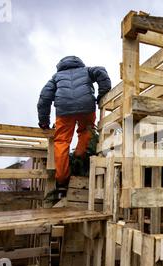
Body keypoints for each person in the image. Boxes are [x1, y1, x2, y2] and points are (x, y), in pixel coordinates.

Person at [37, 56, 111, 188]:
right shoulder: (86, 71)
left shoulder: (56, 78)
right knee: (86, 132)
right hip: (86, 106)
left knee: (61, 141)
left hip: (64, 110)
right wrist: (102, 93)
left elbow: (44, 98)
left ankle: (62, 180)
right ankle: (79, 159)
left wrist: (44, 122)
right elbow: (101, 71)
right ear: (79, 63)